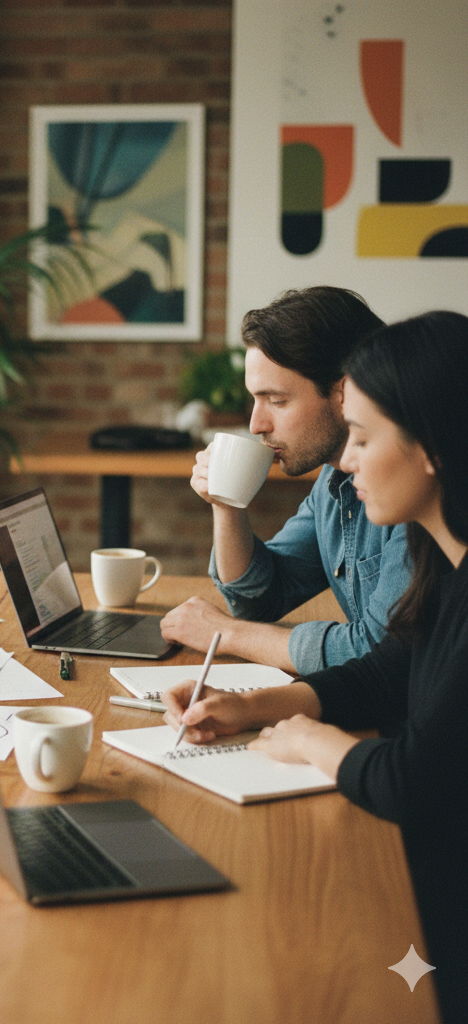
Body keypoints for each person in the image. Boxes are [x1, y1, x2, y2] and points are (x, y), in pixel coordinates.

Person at [162, 311, 468, 1021]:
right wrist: (260, 706)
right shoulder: (444, 561)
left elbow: (409, 779)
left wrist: (306, 739)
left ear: (431, 449)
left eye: (362, 438)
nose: (349, 462)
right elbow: (394, 666)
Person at [160, 286, 410, 675]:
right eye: (255, 400)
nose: (256, 424)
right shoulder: (334, 482)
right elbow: (260, 599)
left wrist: (225, 635)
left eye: (276, 401)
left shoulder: (418, 490)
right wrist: (226, 504)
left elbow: (379, 652)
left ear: (345, 391)